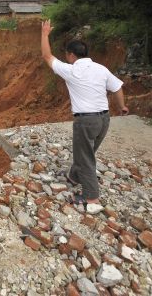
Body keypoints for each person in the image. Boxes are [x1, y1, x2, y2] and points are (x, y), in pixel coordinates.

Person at [40, 19, 128, 214]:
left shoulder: (72, 71)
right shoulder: (101, 69)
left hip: (86, 121)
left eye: (67, 55)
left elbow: (47, 56)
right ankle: (74, 177)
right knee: (87, 152)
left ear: (71, 55)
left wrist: (45, 34)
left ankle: (92, 198)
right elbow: (117, 87)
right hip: (104, 120)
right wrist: (122, 107)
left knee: (86, 157)